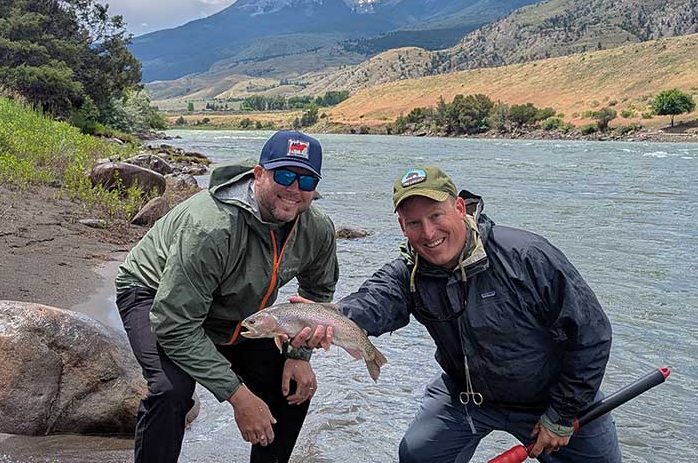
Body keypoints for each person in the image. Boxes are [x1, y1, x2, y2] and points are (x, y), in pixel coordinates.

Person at [292, 166, 620, 463]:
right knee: (418, 455)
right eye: (414, 223)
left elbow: (592, 334)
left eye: (436, 216)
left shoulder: (526, 256)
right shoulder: (407, 273)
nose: (429, 233)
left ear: (460, 208)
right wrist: (328, 316)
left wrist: (562, 414)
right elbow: (374, 301)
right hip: (467, 396)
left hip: (552, 398)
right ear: (401, 227)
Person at [115, 130, 339, 463]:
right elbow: (174, 324)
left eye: (306, 181)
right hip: (154, 294)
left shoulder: (316, 229)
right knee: (170, 391)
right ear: (259, 174)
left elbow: (318, 291)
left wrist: (297, 353)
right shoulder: (211, 227)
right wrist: (238, 396)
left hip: (234, 308)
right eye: (286, 175)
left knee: (292, 386)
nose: (294, 189)